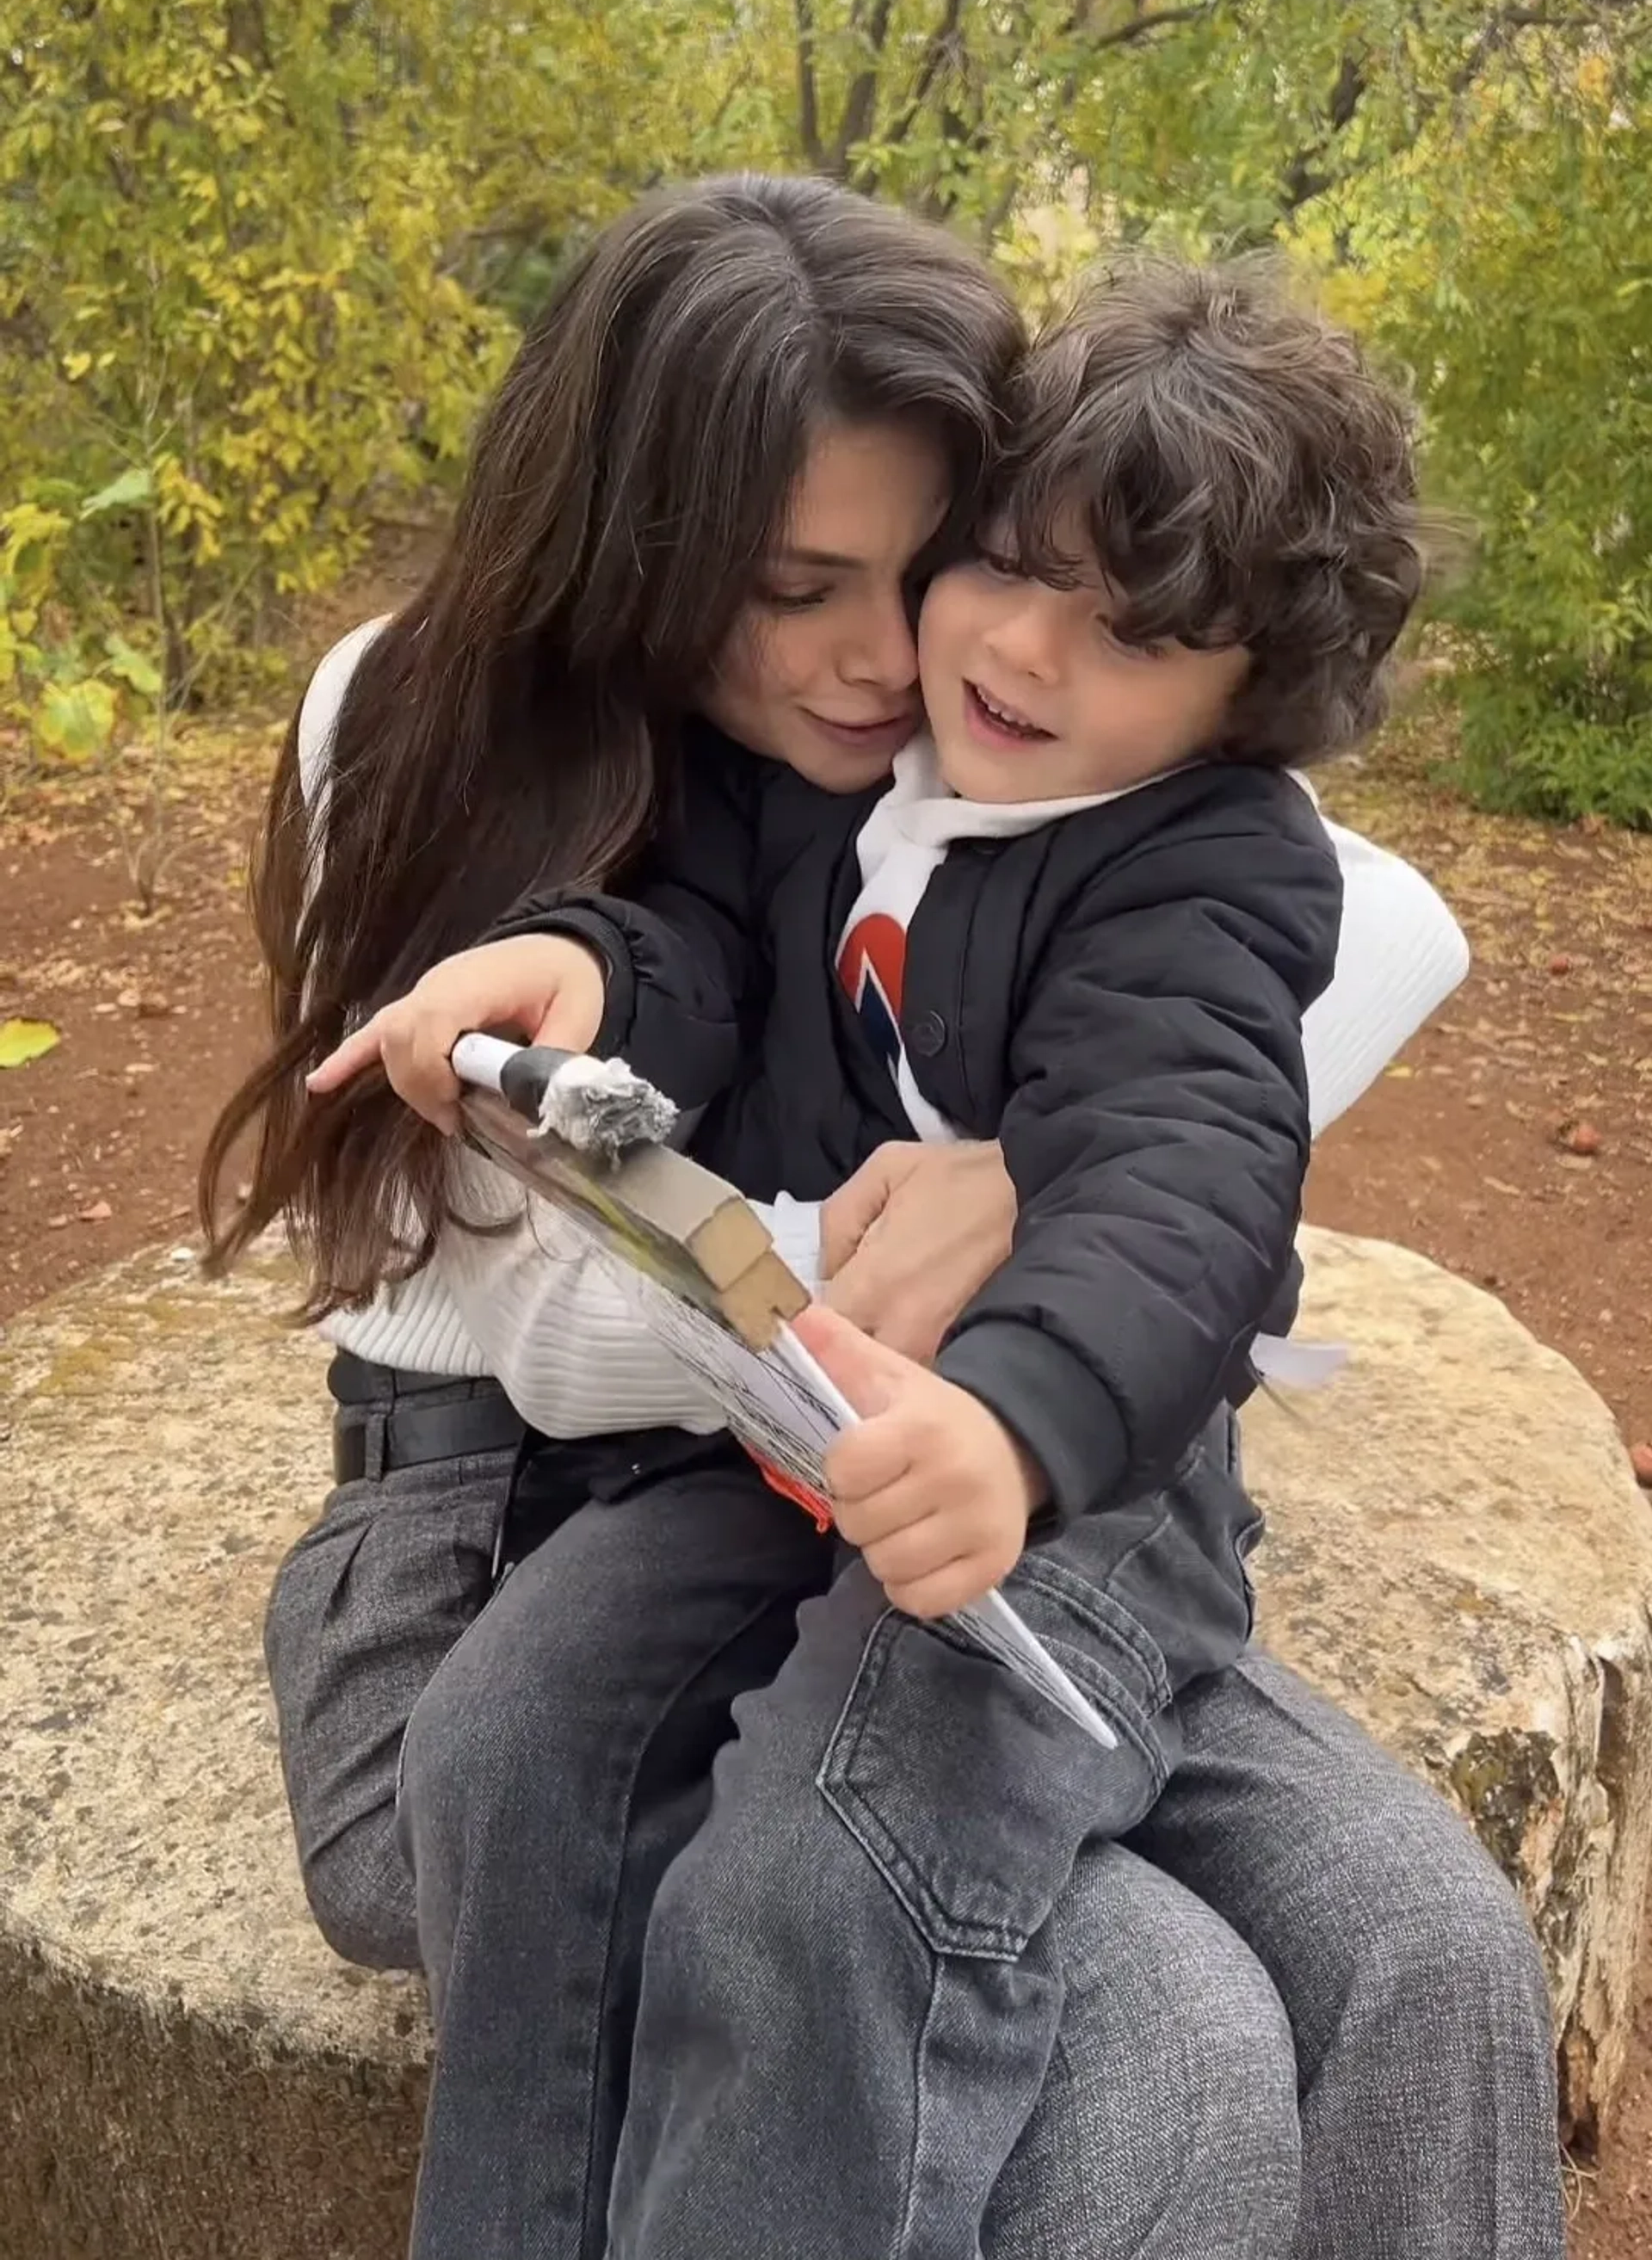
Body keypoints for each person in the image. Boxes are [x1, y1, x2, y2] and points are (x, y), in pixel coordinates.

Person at [202, 176, 1563, 2260]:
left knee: (1419, 1944)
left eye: (911, 562)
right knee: (576, 1777)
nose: (912, 649)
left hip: (973, 1471)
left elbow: (1257, 1023)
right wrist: (611, 1013)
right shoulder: (434, 725)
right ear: (637, 556)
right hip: (617, 1463)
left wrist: (1043, 1201)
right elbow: (593, 1243)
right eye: (799, 583)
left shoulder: (1000, 763)